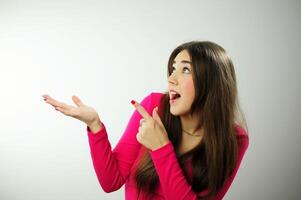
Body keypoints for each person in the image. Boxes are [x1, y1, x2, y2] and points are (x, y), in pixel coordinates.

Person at [42, 41, 249, 200]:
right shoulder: (153, 107)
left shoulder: (235, 138)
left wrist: (161, 148)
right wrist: (95, 125)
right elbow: (111, 181)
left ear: (212, 83)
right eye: (172, 69)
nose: (171, 79)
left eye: (185, 69)